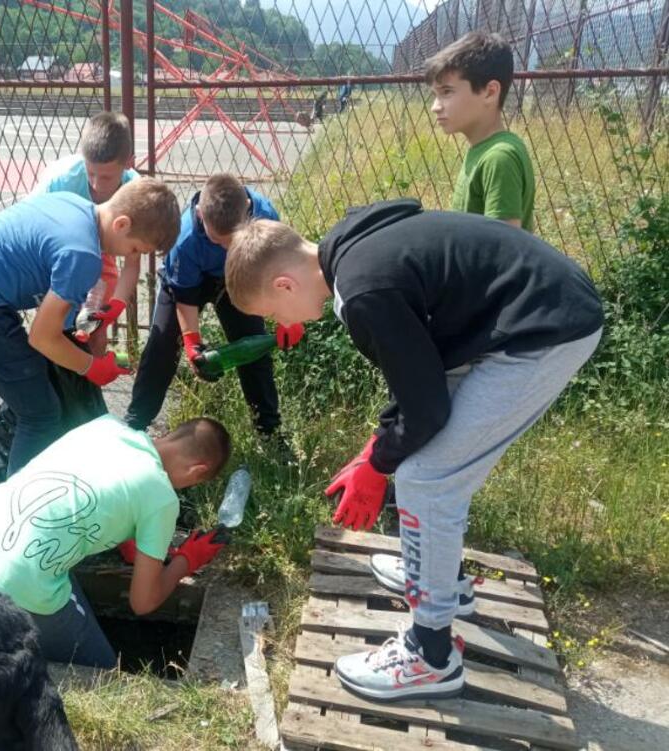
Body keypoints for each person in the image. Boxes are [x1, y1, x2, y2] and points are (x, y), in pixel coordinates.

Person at [223, 199, 603, 701]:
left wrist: (379, 465)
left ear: (284, 285)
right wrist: (378, 446)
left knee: (427, 479)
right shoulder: (348, 247)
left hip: (542, 331)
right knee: (429, 464)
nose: (280, 324)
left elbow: (427, 410)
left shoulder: (362, 294)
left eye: (272, 313)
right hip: (532, 308)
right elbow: (419, 376)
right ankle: (445, 579)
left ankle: (431, 654)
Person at [0, 178, 180, 487]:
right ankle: (14, 514)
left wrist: (94, 326)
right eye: (134, 249)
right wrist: (92, 367)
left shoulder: (75, 207)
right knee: (40, 412)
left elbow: (59, 314)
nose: (128, 255)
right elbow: (42, 338)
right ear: (122, 224)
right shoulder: (82, 254)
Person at [0, 414, 232, 668]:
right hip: (13, 581)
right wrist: (186, 560)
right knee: (102, 671)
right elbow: (142, 603)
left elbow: (92, 490)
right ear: (197, 471)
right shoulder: (161, 498)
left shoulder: (106, 426)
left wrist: (126, 538)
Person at [123, 173, 302, 439]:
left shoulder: (266, 217)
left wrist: (290, 318)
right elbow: (184, 295)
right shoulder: (184, 238)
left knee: (252, 348)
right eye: (218, 240)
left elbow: (276, 272)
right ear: (199, 214)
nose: (228, 246)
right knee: (161, 348)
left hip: (237, 280)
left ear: (249, 213)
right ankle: (134, 425)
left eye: (235, 239)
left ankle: (270, 433)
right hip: (186, 284)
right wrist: (192, 342)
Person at [32, 111, 141, 353]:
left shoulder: (135, 193)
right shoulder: (59, 182)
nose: (96, 184)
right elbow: (34, 238)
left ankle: (91, 373)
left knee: (94, 331)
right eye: (90, 173)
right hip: (54, 252)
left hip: (99, 254)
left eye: (106, 176)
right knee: (58, 329)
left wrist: (114, 309)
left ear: (128, 163)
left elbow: (133, 262)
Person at [426, 31, 535, 231]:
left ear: (490, 92)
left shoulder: (499, 158)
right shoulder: (483, 150)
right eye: (435, 95)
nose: (435, 106)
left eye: (447, 92)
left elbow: (503, 249)